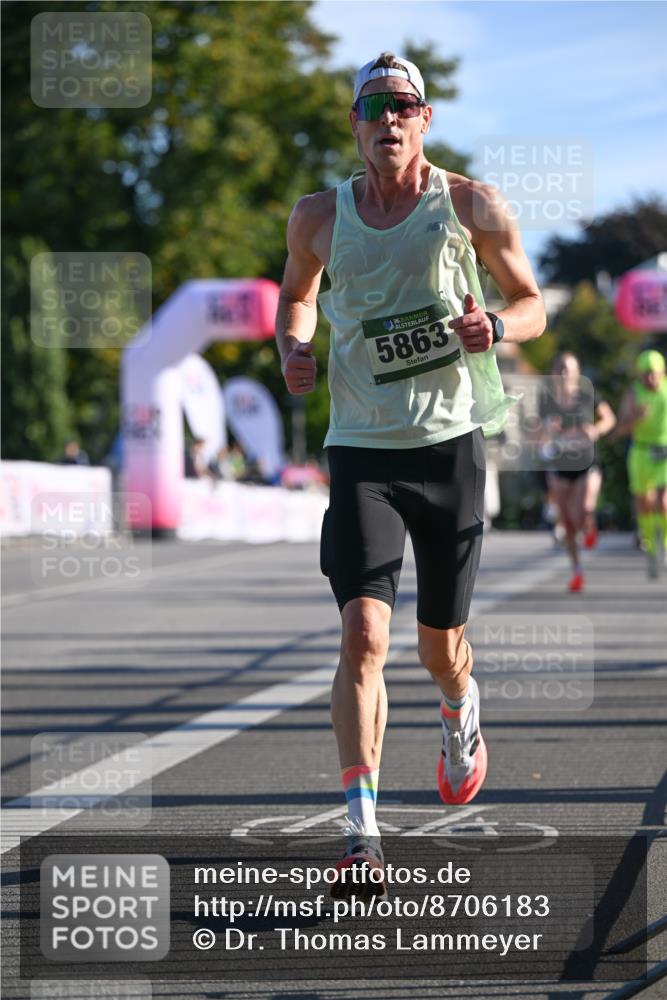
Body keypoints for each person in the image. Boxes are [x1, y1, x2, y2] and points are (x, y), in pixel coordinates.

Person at [276, 53, 545, 897]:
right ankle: (361, 837)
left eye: (403, 106)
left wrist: (497, 326)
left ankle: (460, 709)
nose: (387, 119)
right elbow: (296, 297)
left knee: (439, 650)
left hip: (449, 446)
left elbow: (531, 301)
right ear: (354, 125)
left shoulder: (469, 205)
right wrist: (293, 342)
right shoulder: (318, 215)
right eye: (372, 107)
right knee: (362, 634)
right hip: (360, 449)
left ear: (424, 120)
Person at [538, 352, 616, 592]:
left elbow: (609, 419)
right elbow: (536, 436)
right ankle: (577, 570)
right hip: (560, 465)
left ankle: (590, 526)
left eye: (568, 369)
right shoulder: (546, 400)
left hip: (587, 463)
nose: (563, 374)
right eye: (559, 369)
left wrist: (595, 430)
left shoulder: (587, 395)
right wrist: (546, 430)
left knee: (582, 511)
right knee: (568, 523)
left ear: (577, 372)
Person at [612, 349, 667, 578]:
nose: (651, 378)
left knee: (663, 502)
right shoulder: (633, 394)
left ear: (662, 372)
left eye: (654, 373)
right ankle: (651, 550)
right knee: (645, 503)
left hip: (664, 452)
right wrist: (635, 418)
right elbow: (619, 431)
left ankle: (663, 545)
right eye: (646, 374)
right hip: (641, 452)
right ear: (639, 376)